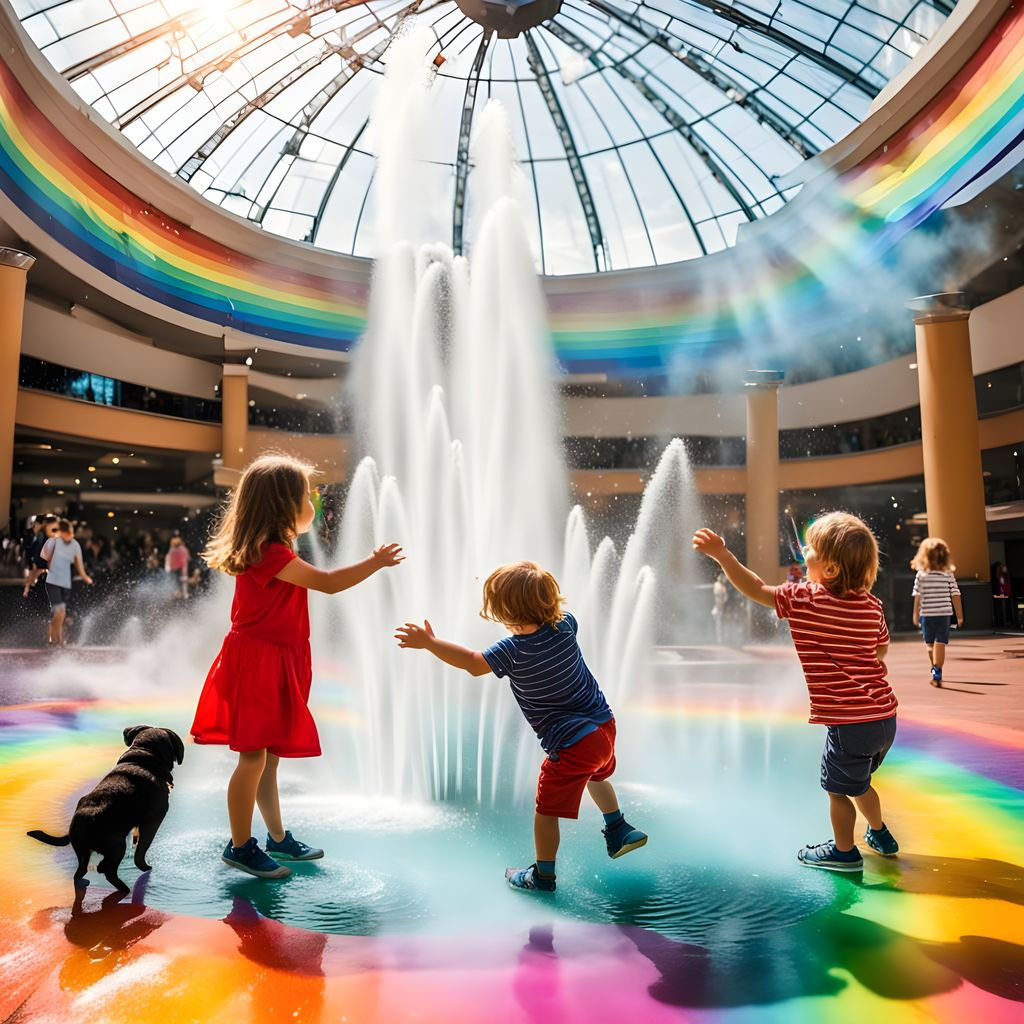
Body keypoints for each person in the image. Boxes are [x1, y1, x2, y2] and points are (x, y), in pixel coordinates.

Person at [190, 454, 404, 880]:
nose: (314, 502)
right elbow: (327, 583)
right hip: (259, 661)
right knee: (252, 759)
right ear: (283, 505)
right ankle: (239, 846)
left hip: (279, 657)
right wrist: (374, 562)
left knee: (268, 758)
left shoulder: (273, 549)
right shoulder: (267, 553)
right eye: (307, 495)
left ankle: (276, 838)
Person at [395, 560, 647, 894]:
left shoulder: (512, 650)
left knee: (545, 809)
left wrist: (430, 643)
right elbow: (554, 614)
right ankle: (617, 827)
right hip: (604, 728)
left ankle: (542, 876)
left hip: (572, 743)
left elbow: (472, 663)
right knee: (596, 774)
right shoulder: (566, 626)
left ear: (505, 612)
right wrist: (533, 577)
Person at [693, 512, 899, 872]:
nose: (804, 550)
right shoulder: (872, 605)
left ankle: (844, 852)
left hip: (850, 723)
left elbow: (756, 589)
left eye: (812, 548)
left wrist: (723, 556)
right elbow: (880, 651)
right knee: (859, 781)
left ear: (831, 569)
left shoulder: (806, 599)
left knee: (837, 790)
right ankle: (879, 833)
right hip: (884, 719)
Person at [911, 538, 963, 687]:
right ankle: (937, 669)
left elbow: (917, 595)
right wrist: (960, 616)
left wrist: (915, 614)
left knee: (929, 644)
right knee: (940, 642)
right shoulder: (947, 573)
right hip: (943, 614)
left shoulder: (921, 574)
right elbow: (955, 593)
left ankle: (935, 669)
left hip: (927, 614)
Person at [41, 519, 93, 646]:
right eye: (68, 533)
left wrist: (86, 578)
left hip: (66, 582)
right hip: (53, 581)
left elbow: (79, 565)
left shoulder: (75, 545)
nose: (71, 535)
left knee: (61, 613)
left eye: (72, 533)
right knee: (60, 611)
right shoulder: (52, 542)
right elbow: (44, 558)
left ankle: (55, 639)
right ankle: (56, 641)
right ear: (62, 532)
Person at [22, 514, 59, 597]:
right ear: (46, 526)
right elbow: (35, 557)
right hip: (38, 575)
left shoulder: (53, 540)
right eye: (54, 530)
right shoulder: (41, 537)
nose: (56, 533)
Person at [992, 561, 1014, 628]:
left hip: (1003, 594)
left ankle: (1004, 621)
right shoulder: (1001, 575)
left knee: (1003, 607)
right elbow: (1002, 585)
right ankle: (1004, 621)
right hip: (1003, 594)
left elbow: (1002, 585)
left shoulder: (1002, 575)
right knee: (1002, 607)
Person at [711, 572, 729, 644]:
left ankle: (721, 640)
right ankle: (719, 640)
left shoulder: (723, 587)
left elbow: (725, 597)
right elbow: (717, 594)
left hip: (722, 606)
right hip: (718, 606)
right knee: (718, 623)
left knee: (721, 623)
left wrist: (723, 602)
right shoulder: (717, 585)